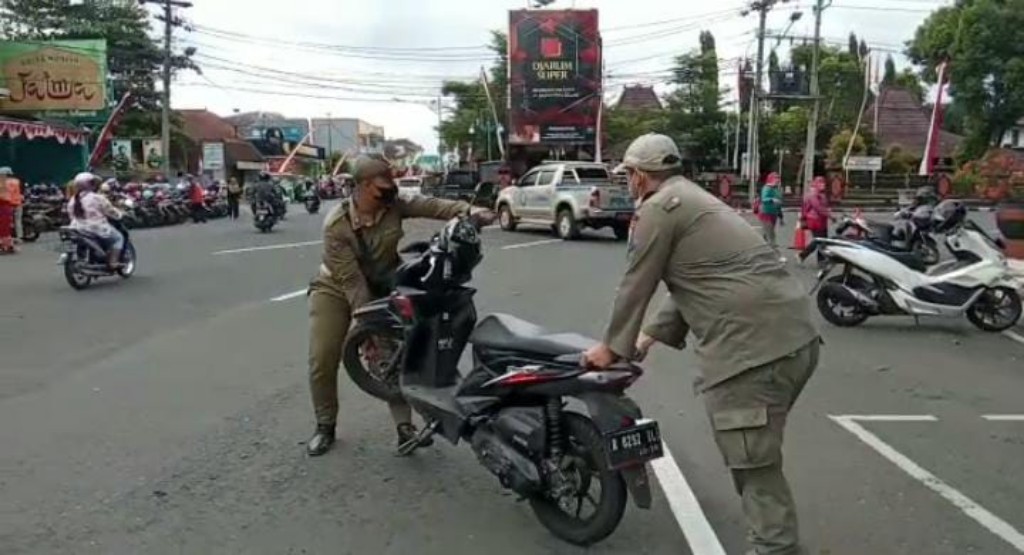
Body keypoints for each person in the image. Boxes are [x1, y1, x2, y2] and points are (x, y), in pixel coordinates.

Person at [581, 134, 820, 555]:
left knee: (753, 462)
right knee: (755, 450)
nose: (629, 184)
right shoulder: (694, 197)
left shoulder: (659, 208)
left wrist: (611, 350)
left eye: (629, 176)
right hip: (794, 338)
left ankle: (775, 548)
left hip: (751, 352)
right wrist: (650, 335)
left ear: (638, 176)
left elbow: (637, 282)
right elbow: (700, 280)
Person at [305, 156, 494, 456]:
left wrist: (469, 210)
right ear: (363, 186)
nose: (390, 190)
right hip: (336, 288)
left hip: (384, 281)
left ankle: (404, 428)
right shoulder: (337, 225)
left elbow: (431, 205)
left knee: (396, 352)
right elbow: (353, 284)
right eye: (383, 185)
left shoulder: (393, 204)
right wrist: (368, 331)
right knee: (323, 357)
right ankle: (325, 425)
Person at [67, 172, 126, 270]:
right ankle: (113, 262)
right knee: (119, 238)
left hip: (77, 228)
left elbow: (71, 216)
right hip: (96, 228)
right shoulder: (97, 198)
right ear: (91, 184)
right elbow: (110, 211)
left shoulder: (72, 200)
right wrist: (120, 215)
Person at [801, 176, 831, 264]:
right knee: (818, 240)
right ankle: (802, 255)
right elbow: (818, 208)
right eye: (821, 183)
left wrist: (827, 212)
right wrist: (830, 215)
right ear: (816, 184)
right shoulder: (813, 194)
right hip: (814, 220)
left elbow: (824, 206)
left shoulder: (821, 194)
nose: (823, 185)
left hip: (822, 220)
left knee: (823, 240)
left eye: (824, 183)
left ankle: (821, 259)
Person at [758, 172, 784, 256]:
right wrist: (772, 199)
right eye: (775, 178)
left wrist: (781, 217)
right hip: (766, 213)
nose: (777, 180)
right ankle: (777, 255)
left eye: (778, 178)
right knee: (771, 234)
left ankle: (761, 252)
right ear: (771, 179)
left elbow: (779, 204)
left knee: (766, 235)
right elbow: (764, 199)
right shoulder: (767, 188)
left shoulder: (777, 189)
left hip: (774, 214)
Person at [0, 167, 17, 254]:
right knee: (4, 227)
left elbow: (5, 196)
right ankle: (6, 245)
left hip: (5, 207)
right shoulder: (6, 184)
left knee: (5, 227)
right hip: (5, 207)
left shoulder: (7, 184)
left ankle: (6, 245)